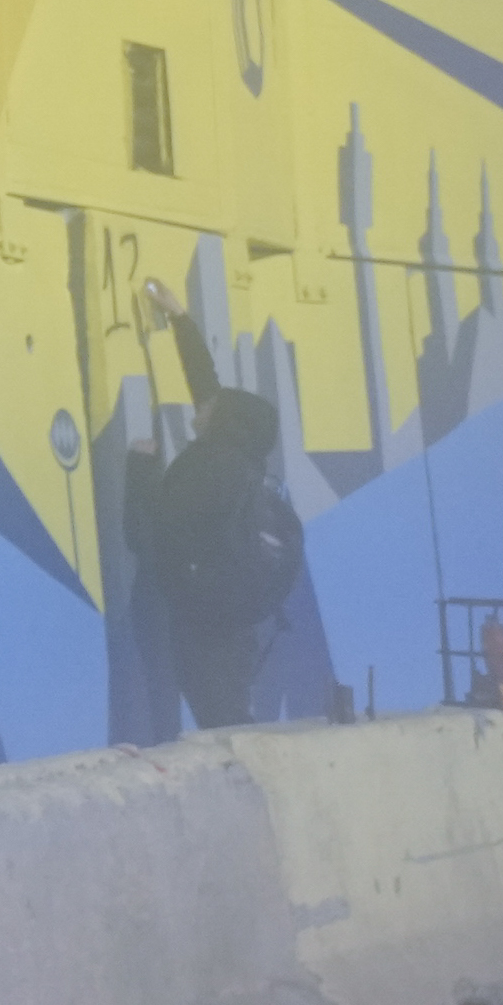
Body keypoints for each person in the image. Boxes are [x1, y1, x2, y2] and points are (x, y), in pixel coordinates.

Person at [129, 287, 309, 731]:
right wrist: (180, 319)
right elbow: (207, 388)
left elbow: (153, 533)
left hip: (202, 624)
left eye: (211, 408)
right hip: (234, 619)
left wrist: (140, 468)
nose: (203, 405)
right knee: (230, 710)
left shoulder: (209, 466)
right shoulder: (241, 459)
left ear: (223, 420)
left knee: (223, 722)